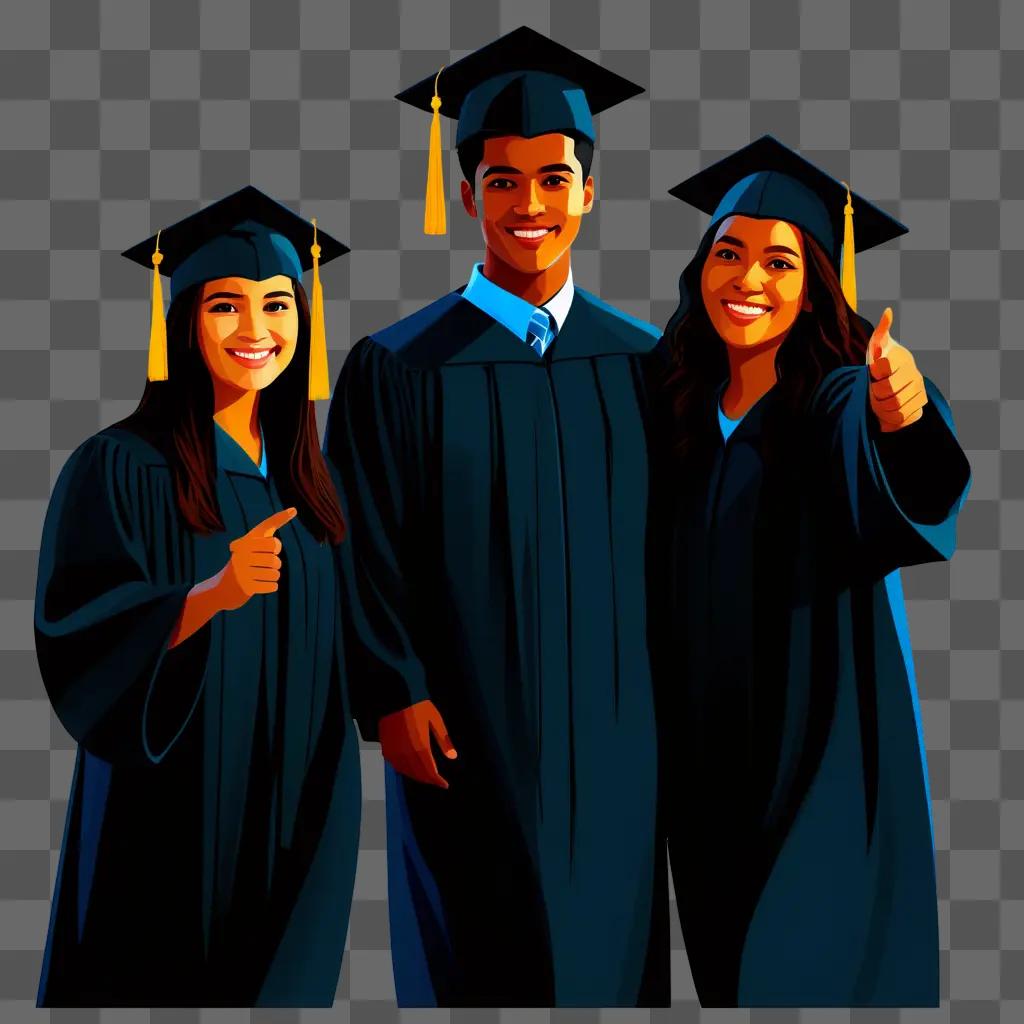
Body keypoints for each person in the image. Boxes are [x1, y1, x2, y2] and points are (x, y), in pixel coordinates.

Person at [325, 26, 669, 1008]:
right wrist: (391, 689)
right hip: (464, 726)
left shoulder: (645, 363)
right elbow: (363, 540)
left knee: (612, 945)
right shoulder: (399, 365)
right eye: (504, 180)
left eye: (553, 179)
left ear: (589, 193)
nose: (531, 205)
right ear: (466, 192)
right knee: (477, 950)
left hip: (622, 733)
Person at [650, 136, 972, 1007]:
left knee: (807, 972)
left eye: (779, 261)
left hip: (817, 752)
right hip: (705, 769)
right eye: (729, 253)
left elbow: (911, 472)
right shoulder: (674, 409)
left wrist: (902, 413)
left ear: (818, 283)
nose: (748, 278)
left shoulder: (833, 398)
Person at [35, 187, 361, 1007]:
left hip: (298, 807)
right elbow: (77, 637)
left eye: (278, 305)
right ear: (180, 320)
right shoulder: (120, 467)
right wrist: (210, 595)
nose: (257, 331)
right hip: (166, 818)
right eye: (227, 306)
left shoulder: (312, 487)